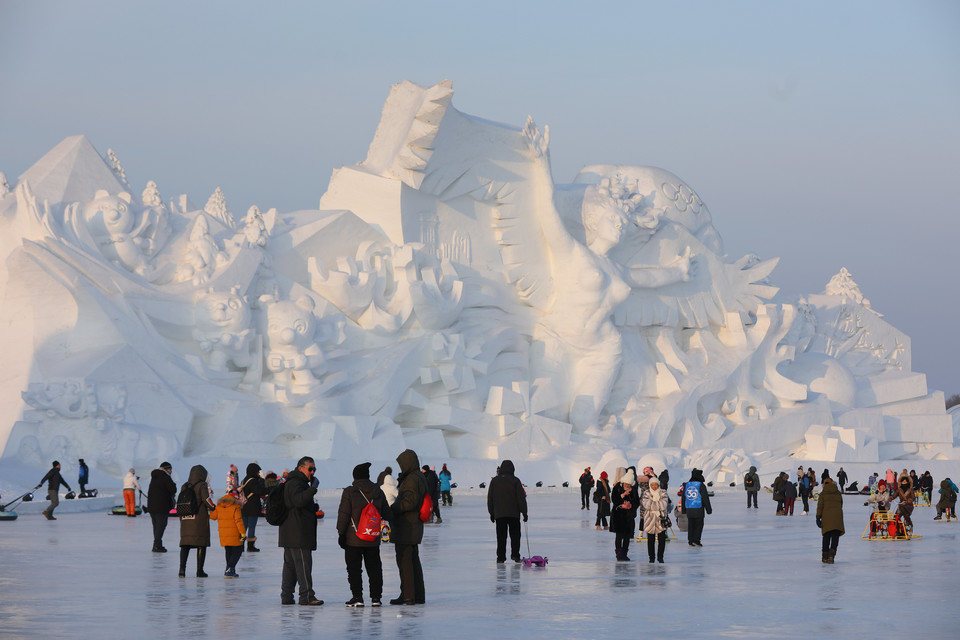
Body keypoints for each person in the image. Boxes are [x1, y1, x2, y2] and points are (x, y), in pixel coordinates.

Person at [336, 462, 393, 607]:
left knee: (354, 569)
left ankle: (358, 597)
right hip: (372, 537)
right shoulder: (378, 491)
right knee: (374, 568)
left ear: (355, 477)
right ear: (368, 476)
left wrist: (341, 533)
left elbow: (344, 514)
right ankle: (376, 598)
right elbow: (387, 513)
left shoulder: (350, 491)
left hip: (353, 538)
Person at [278, 456, 322, 605]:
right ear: (301, 468)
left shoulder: (292, 482)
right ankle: (307, 596)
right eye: (310, 469)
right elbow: (298, 500)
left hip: (290, 532)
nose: (312, 472)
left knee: (290, 566)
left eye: (314, 469)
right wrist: (313, 488)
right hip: (298, 533)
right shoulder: (296, 483)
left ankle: (286, 596)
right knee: (303, 565)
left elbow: (298, 503)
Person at [391, 449, 427, 605]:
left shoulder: (412, 479)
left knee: (405, 561)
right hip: (414, 526)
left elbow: (409, 502)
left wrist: (393, 508)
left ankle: (408, 595)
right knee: (413, 561)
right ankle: (417, 594)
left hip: (407, 526)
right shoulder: (419, 476)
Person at [487, 460, 528, 564]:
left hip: (499, 514)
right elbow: (521, 498)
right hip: (514, 514)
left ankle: (500, 557)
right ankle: (515, 555)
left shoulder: (495, 481)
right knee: (515, 536)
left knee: (501, 537)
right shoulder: (515, 481)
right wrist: (524, 512)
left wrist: (491, 513)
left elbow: (490, 498)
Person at [179, 464, 215, 578]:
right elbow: (206, 500)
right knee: (201, 544)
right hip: (198, 519)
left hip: (185, 519)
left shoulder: (185, 485)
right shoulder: (202, 485)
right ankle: (199, 571)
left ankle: (182, 570)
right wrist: (214, 507)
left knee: (185, 544)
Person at [209, 490, 246, 578]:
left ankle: (230, 570)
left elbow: (213, 517)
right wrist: (243, 533)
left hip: (223, 533)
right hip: (234, 533)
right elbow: (238, 521)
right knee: (238, 550)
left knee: (228, 551)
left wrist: (212, 508)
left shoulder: (219, 506)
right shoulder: (236, 506)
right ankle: (229, 570)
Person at [147, 461, 177, 552]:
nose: (171, 471)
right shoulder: (165, 477)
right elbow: (173, 489)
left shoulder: (154, 477)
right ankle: (156, 545)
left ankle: (158, 545)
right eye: (170, 469)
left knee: (156, 526)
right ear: (166, 469)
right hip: (162, 506)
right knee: (161, 525)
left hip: (152, 506)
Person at [610, 467, 639, 561]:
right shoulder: (617, 488)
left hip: (628, 517)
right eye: (626, 484)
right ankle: (619, 554)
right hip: (618, 516)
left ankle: (624, 554)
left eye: (629, 484)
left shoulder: (633, 489)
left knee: (627, 536)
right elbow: (614, 500)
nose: (627, 485)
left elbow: (637, 502)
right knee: (619, 535)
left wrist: (630, 505)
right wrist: (622, 497)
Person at [816, 477, 844, 563]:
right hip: (837, 517)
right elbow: (841, 504)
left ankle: (825, 557)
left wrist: (818, 517)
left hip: (826, 517)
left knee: (826, 537)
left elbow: (820, 506)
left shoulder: (823, 494)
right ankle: (831, 555)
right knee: (835, 537)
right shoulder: (838, 493)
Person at [240, 462, 267, 552]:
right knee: (251, 526)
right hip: (252, 507)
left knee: (243, 527)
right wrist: (269, 487)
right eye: (257, 471)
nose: (258, 473)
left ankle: (240, 545)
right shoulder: (253, 481)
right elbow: (260, 491)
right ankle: (250, 546)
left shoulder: (244, 480)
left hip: (244, 507)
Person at [681, 469, 711, 546]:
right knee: (699, 525)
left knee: (691, 525)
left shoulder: (687, 484)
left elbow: (684, 498)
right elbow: (705, 498)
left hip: (689, 508)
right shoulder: (700, 485)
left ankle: (690, 540)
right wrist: (708, 509)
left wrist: (684, 510)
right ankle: (696, 540)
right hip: (698, 508)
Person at [642, 476, 668, 563]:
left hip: (661, 519)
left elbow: (664, 505)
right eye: (652, 485)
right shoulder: (646, 493)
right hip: (650, 520)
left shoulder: (663, 492)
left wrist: (652, 505)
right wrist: (658, 505)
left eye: (656, 485)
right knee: (650, 540)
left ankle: (660, 557)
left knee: (662, 540)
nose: (654, 487)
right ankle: (651, 557)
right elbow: (646, 504)